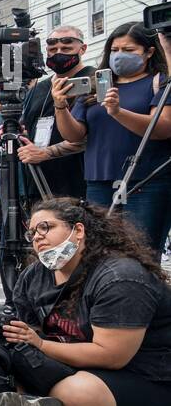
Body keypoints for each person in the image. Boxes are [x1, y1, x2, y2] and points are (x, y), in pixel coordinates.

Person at [0, 197, 171, 406]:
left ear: (78, 230)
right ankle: (40, 402)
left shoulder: (120, 277)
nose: (37, 236)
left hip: (145, 373)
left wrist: (41, 345)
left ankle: (39, 399)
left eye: (46, 227)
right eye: (32, 232)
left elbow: (112, 356)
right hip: (75, 364)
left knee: (79, 393)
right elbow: (28, 329)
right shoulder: (35, 274)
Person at [52, 22, 171, 254]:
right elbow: (74, 134)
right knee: (99, 251)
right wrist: (60, 106)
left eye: (129, 50)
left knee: (141, 252)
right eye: (115, 50)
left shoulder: (159, 82)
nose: (119, 56)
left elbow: (162, 128)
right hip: (99, 181)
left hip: (146, 180)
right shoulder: (98, 85)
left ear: (149, 52)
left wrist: (118, 112)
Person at [0, 25, 90, 206]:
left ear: (82, 49)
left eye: (66, 48)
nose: (59, 53)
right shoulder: (40, 88)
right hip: (37, 180)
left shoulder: (90, 80)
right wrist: (15, 132)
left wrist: (44, 153)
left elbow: (90, 136)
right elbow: (23, 124)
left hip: (76, 182)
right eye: (53, 49)